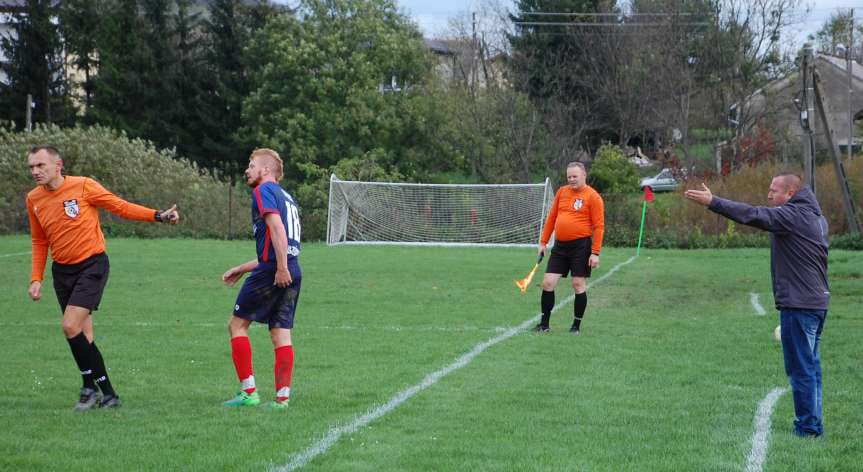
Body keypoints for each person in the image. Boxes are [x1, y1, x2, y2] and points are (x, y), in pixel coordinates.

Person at [26, 146, 180, 410]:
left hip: (92, 266)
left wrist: (158, 216)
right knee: (82, 335)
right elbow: (40, 241)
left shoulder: (84, 186)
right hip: (62, 271)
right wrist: (36, 277)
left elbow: (120, 207)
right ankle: (108, 395)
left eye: (40, 165)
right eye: (31, 167)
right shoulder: (33, 199)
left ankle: (88, 388)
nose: (35, 171)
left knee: (69, 326)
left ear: (58, 164)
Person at [684, 172, 829, 438]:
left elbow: (753, 214)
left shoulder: (793, 216)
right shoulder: (817, 217)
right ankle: (813, 424)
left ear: (790, 194)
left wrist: (713, 201)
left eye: (774, 190)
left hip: (800, 305)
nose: (769, 194)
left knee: (802, 369)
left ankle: (808, 428)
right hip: (816, 302)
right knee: (811, 367)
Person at [222, 148, 301, 409]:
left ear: (265, 170)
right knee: (281, 333)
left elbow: (276, 229)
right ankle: (282, 399)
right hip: (293, 268)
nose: (247, 169)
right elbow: (280, 245)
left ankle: (249, 393)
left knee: (237, 325)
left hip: (275, 270)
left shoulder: (263, 191)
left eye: (251, 164)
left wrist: (278, 268)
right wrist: (243, 268)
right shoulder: (287, 197)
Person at [535, 161, 605, 333]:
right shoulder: (562, 192)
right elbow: (551, 218)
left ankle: (576, 326)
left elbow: (599, 226)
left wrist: (595, 253)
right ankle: (544, 325)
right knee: (547, 283)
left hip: (581, 246)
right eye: (569, 177)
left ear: (583, 176)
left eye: (575, 176)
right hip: (560, 247)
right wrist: (543, 243)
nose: (571, 180)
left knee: (578, 284)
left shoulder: (593, 197)